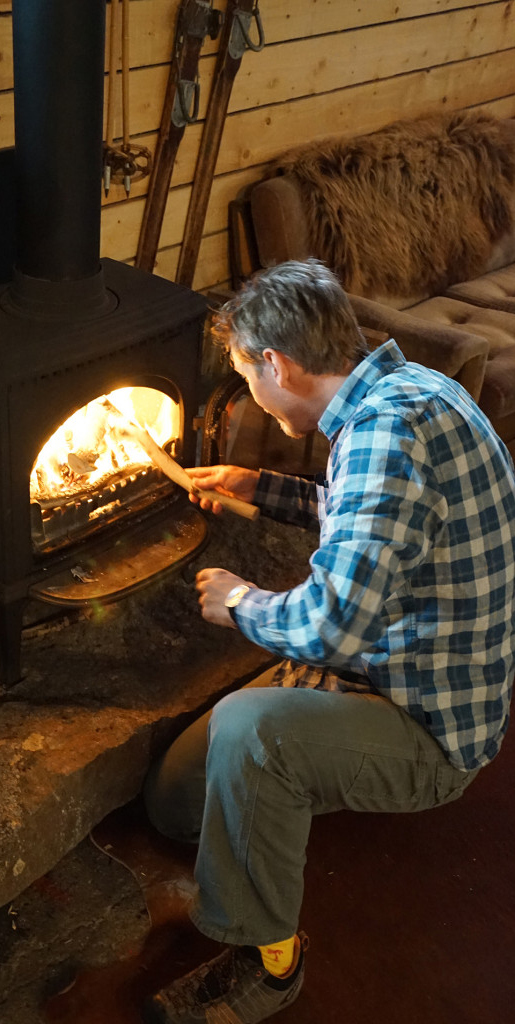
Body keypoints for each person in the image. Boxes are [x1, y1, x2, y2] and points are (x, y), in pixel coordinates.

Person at [141, 259, 515, 1024]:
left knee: (249, 733)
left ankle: (268, 962)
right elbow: (373, 515)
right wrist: (258, 484)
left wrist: (237, 601)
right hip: (390, 664)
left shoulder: (383, 435)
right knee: (174, 804)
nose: (250, 389)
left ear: (275, 364)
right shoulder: (406, 391)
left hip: (427, 724)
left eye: (247, 374)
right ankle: (283, 794)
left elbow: (325, 628)